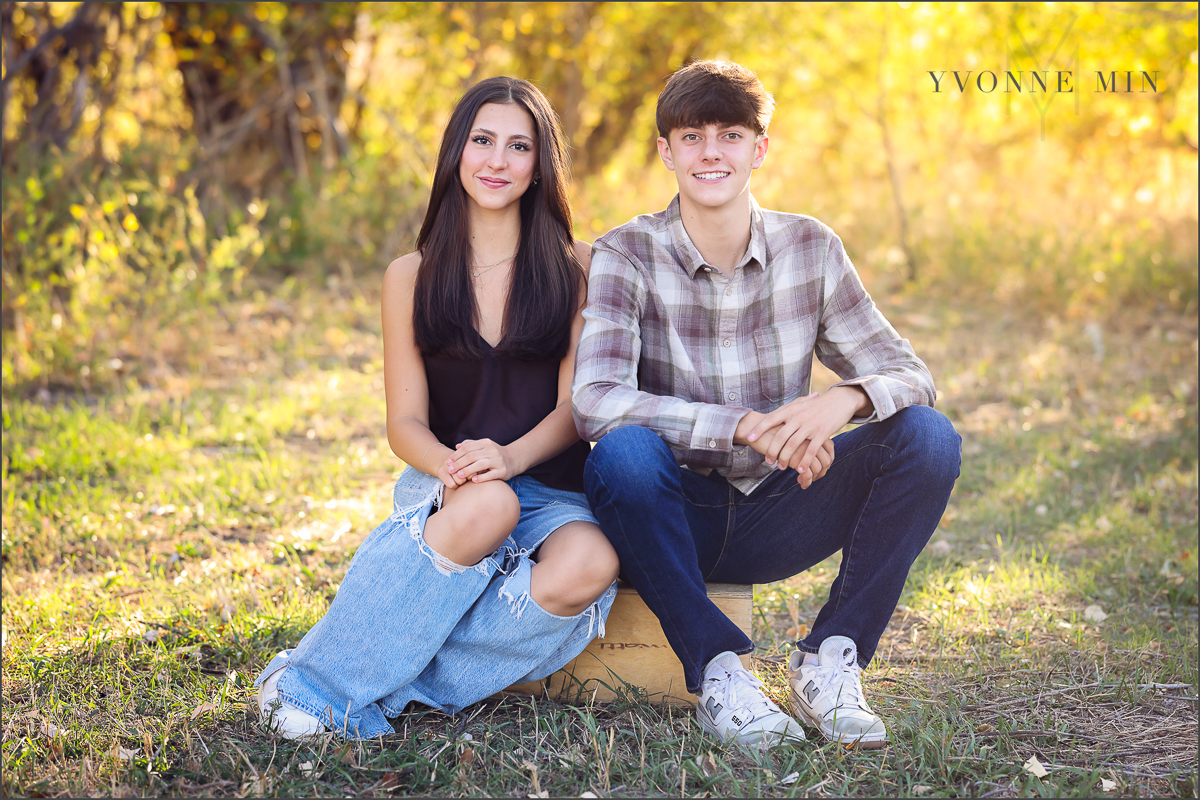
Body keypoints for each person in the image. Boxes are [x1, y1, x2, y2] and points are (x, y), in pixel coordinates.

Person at [572, 60, 961, 750]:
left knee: (928, 437)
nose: (711, 153)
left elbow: (909, 373)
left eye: (730, 134)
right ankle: (720, 671)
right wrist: (746, 426)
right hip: (669, 515)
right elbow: (596, 401)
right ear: (665, 152)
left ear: (760, 148)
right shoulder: (625, 253)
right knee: (624, 452)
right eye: (691, 137)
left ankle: (829, 659)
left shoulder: (809, 246)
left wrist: (840, 400)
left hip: (781, 507)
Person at [254, 76, 620, 740]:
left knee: (591, 564)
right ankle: (309, 682)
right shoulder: (411, 275)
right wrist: (456, 469)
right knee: (490, 504)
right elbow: (405, 424)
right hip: (454, 485)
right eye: (482, 141)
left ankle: (392, 691)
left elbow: (578, 407)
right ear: (457, 151)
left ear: (541, 167)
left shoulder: (579, 266)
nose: (497, 161)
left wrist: (509, 458)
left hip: (551, 481)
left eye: (519, 147)